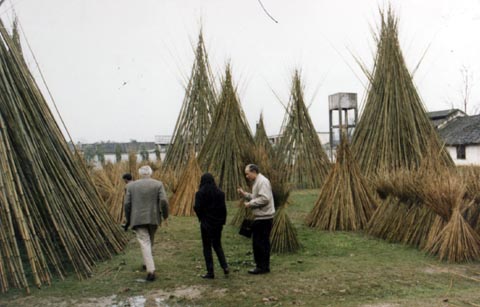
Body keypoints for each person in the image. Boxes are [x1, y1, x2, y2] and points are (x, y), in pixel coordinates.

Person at [124, 165, 169, 281]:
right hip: (153, 218)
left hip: (137, 219)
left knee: (145, 242)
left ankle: (150, 270)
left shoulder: (131, 186)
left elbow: (127, 204)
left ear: (139, 174)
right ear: (150, 173)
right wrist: (165, 215)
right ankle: (148, 265)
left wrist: (128, 219)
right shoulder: (158, 184)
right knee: (149, 241)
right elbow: (164, 200)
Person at [237, 164, 275, 275]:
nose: (247, 176)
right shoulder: (258, 182)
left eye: (247, 174)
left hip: (264, 218)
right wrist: (245, 194)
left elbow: (265, 199)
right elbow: (256, 196)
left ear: (253, 171)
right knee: (259, 242)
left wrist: (250, 204)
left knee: (260, 243)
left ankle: (262, 267)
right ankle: (262, 266)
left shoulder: (262, 181)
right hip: (261, 217)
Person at [194, 173, 229, 279]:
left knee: (207, 247)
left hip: (206, 224)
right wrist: (222, 221)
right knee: (217, 245)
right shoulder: (220, 193)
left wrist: (202, 217)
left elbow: (197, 207)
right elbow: (224, 210)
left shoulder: (200, 193)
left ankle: (210, 271)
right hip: (217, 224)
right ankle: (225, 266)